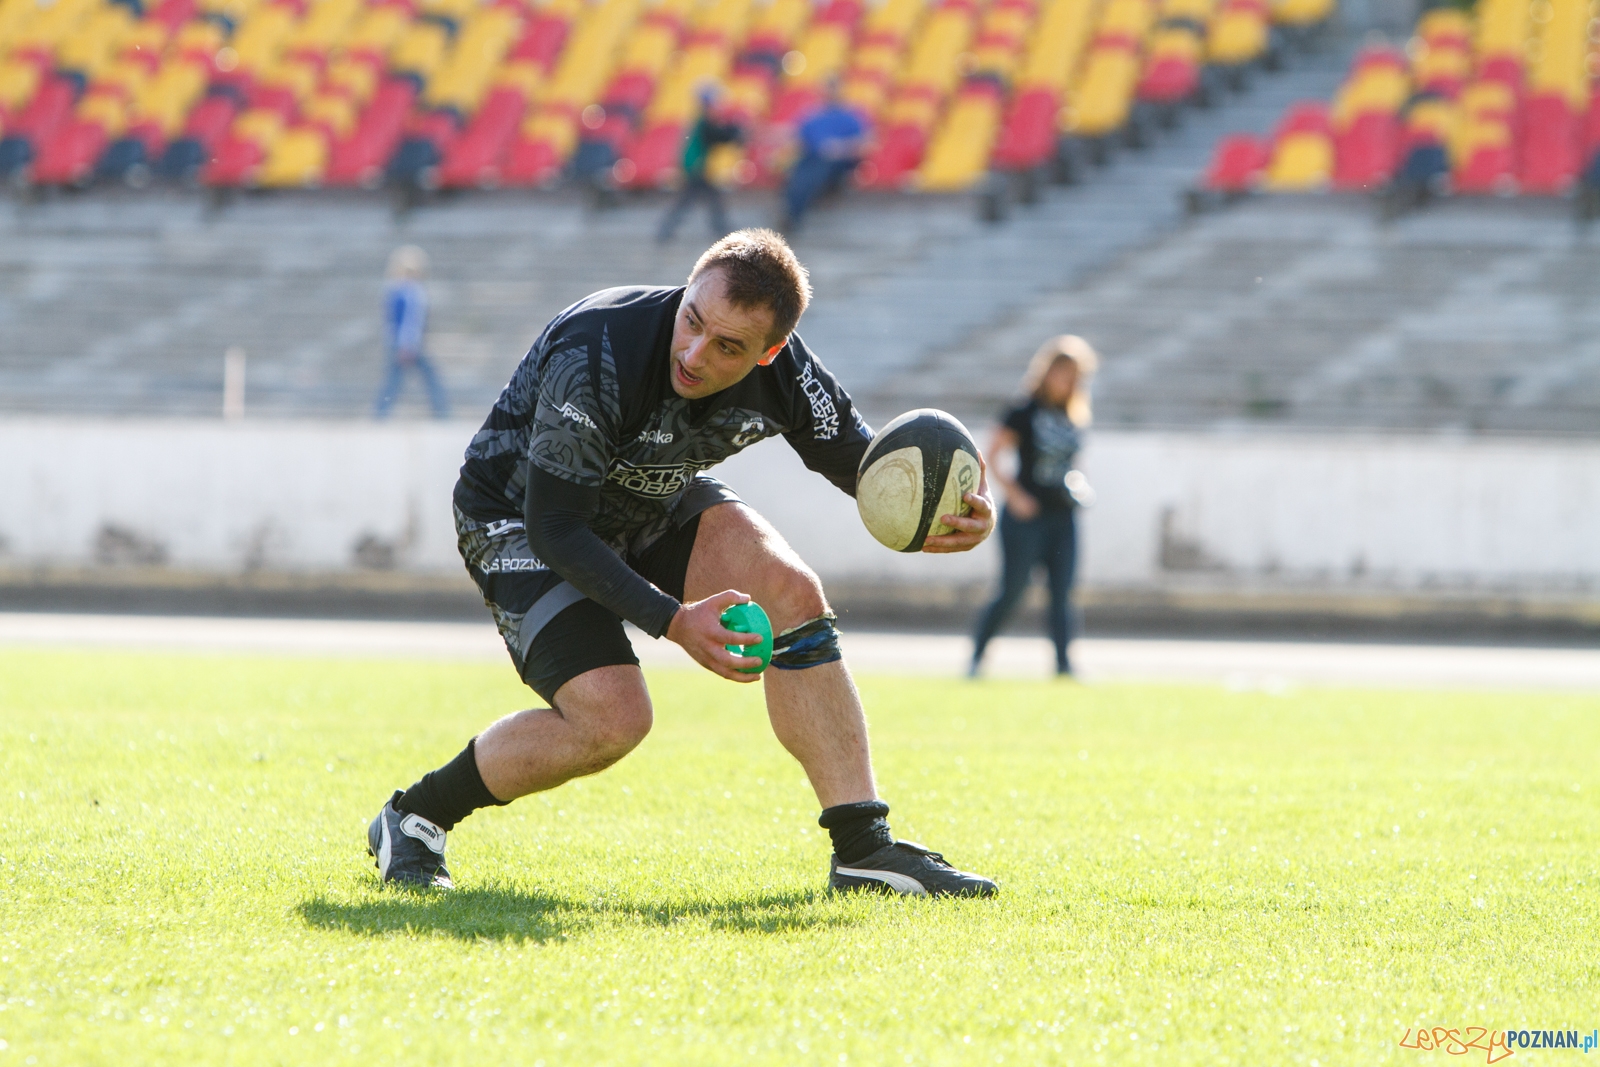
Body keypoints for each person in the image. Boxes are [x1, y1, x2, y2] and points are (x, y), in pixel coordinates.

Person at [367, 229, 1000, 898]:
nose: (695, 354)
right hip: (520, 516)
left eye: (728, 347)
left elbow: (861, 463)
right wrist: (675, 621)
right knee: (613, 719)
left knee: (791, 591)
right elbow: (556, 526)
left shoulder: (788, 372)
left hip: (648, 495)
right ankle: (415, 816)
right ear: (688, 288)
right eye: (692, 321)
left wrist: (937, 515)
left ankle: (864, 852)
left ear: (770, 352)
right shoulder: (598, 349)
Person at [969, 335, 1098, 678]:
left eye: (1075, 377)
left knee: (1063, 594)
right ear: (1047, 372)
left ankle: (1064, 667)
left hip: (1062, 517)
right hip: (1026, 519)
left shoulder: (1073, 413)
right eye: (1063, 374)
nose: (1068, 382)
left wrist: (1077, 485)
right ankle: (977, 656)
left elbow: (1070, 461)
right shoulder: (1024, 410)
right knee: (1013, 590)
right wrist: (1015, 495)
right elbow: (992, 455)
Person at [656, 85, 744, 242]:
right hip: (696, 166)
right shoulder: (704, 122)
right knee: (703, 199)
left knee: (696, 200)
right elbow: (719, 135)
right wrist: (736, 133)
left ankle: (667, 230)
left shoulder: (701, 121)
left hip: (695, 166)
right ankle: (722, 230)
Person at [374, 245, 450, 419]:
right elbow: (411, 321)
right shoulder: (411, 291)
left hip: (397, 342)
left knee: (393, 381)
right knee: (427, 379)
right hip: (409, 344)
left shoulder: (393, 290)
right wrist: (407, 344)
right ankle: (442, 413)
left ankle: (381, 413)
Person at [781, 81, 868, 232]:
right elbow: (799, 139)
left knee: (815, 172)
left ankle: (795, 216)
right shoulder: (813, 116)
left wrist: (840, 148)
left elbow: (865, 143)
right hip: (812, 157)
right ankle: (792, 212)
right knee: (795, 172)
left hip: (839, 162)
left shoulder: (851, 116)